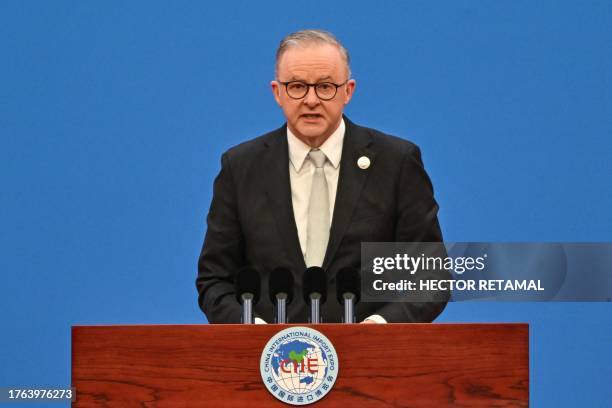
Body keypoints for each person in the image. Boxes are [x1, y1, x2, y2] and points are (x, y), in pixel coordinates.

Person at [196, 29, 448, 324]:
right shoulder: (240, 167)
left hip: (372, 357)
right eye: (297, 86)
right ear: (277, 92)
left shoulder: (396, 163)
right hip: (269, 362)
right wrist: (251, 330)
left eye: (325, 86)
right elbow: (215, 281)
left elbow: (429, 277)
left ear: (348, 91)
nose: (311, 100)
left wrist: (379, 329)